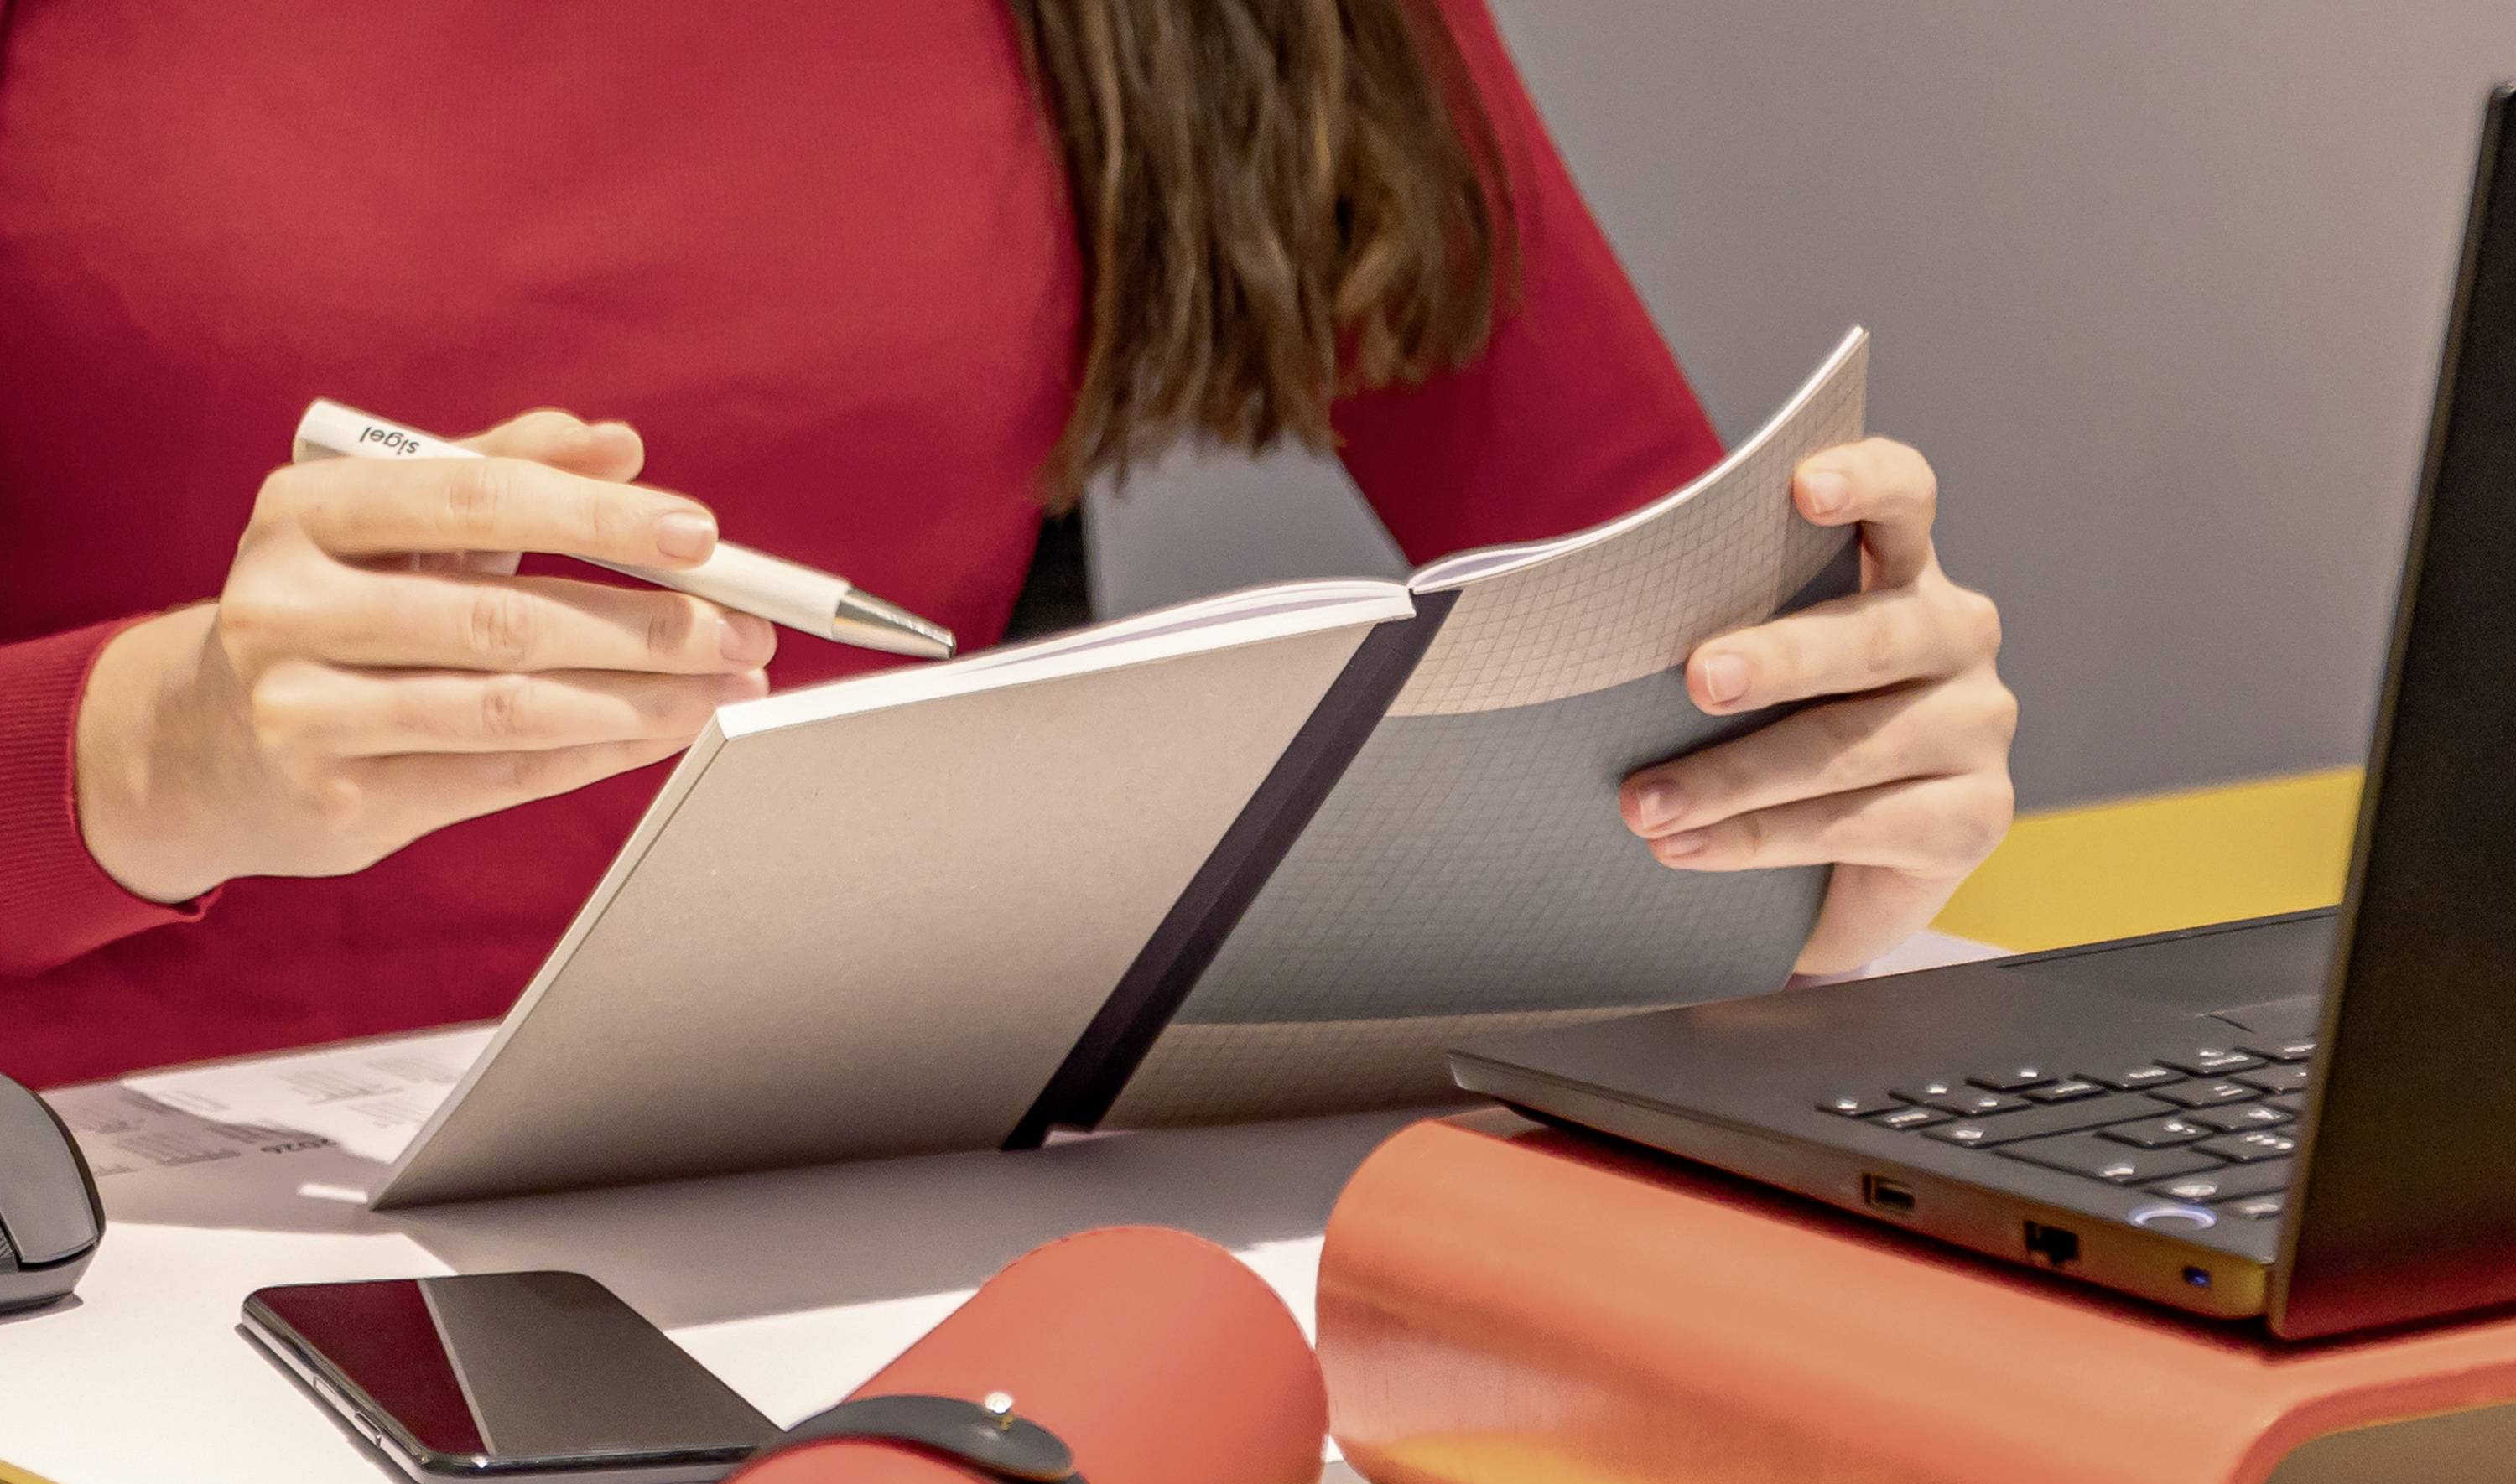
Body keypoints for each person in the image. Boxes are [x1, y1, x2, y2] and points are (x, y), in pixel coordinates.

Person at [0, 0, 2014, 1091]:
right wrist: (141, 753)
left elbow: (1662, 638)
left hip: (897, 1220)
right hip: (97, 1242)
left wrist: (1816, 788)